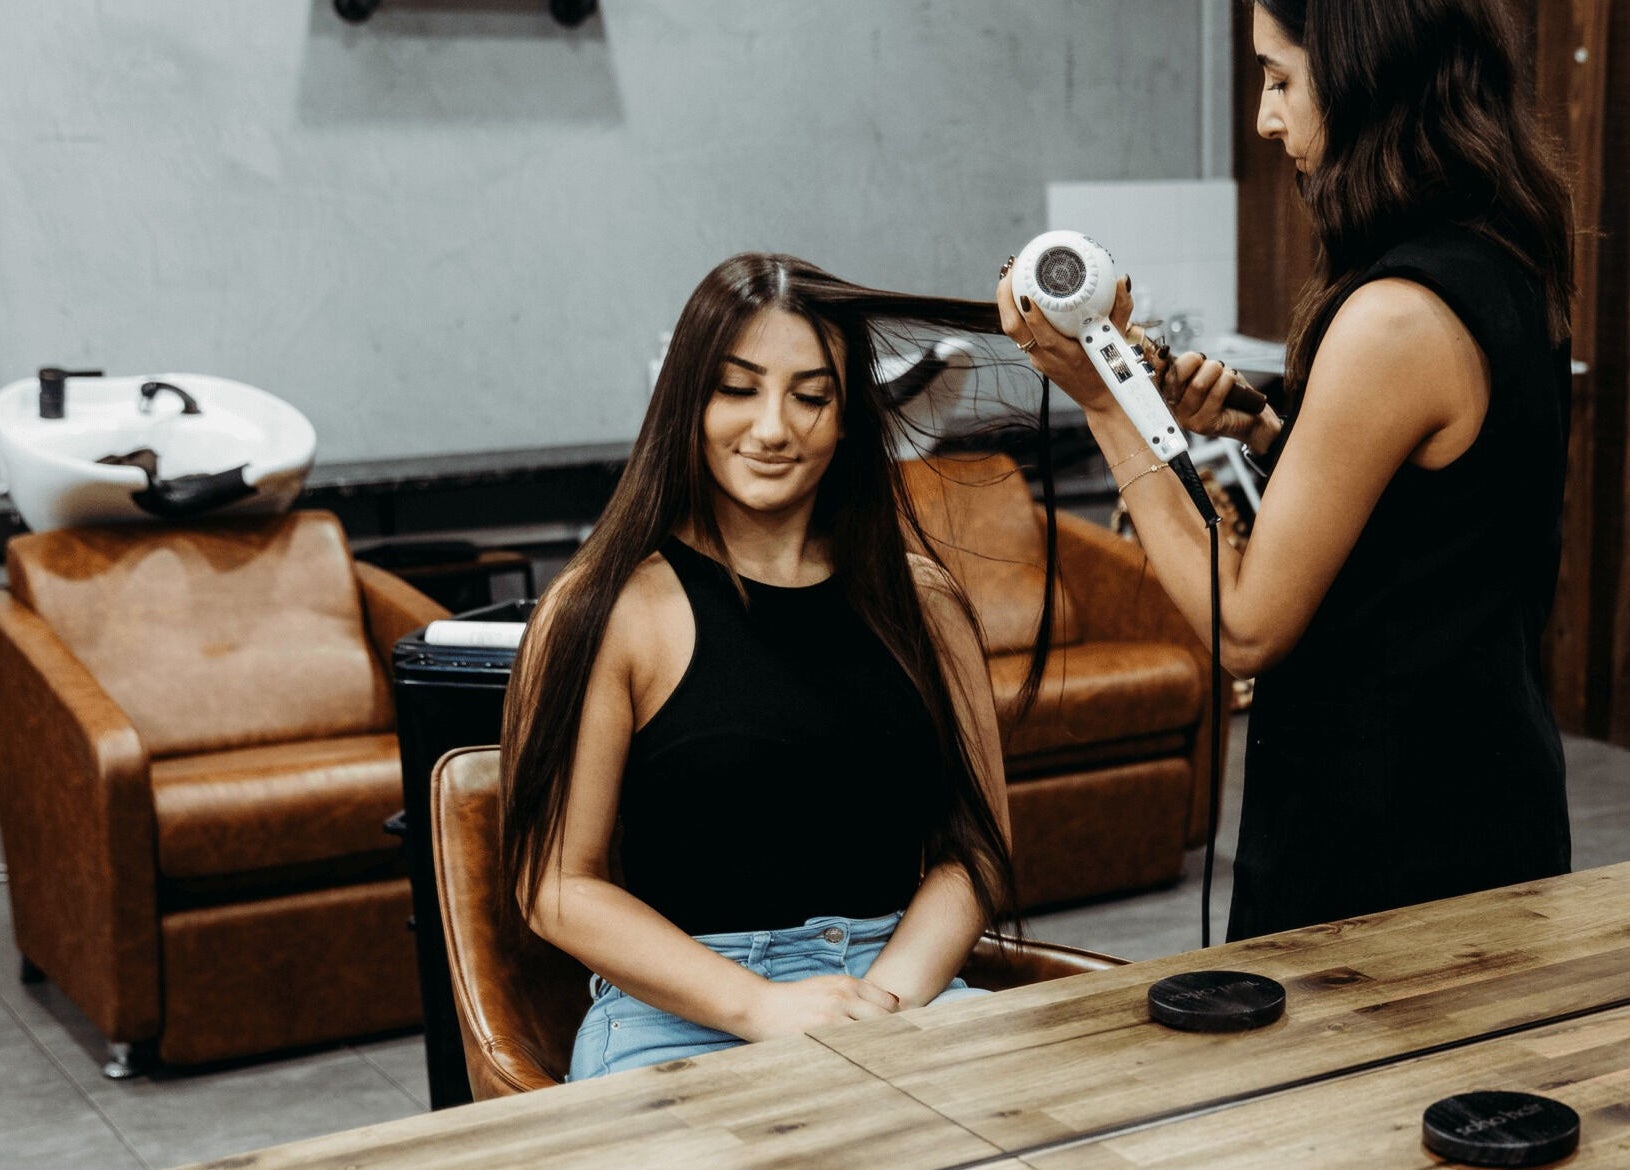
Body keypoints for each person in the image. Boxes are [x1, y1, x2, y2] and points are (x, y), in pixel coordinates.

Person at [999, 0, 1574, 939]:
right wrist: (1275, 434)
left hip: (1385, 841)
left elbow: (1249, 628)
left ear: (1368, 77)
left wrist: (1102, 405)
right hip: (1485, 792)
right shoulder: (1504, 261)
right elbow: (1442, 523)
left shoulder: (1392, 317)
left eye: (1280, 80)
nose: (1267, 119)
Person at [499, 252, 1019, 1080]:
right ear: (686, 404)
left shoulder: (924, 604)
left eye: (811, 396)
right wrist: (761, 1006)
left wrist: (881, 1004)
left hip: (895, 993)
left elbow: (977, 851)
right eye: (737, 390)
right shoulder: (606, 610)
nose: (773, 427)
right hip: (677, 1017)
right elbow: (556, 883)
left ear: (849, 417)